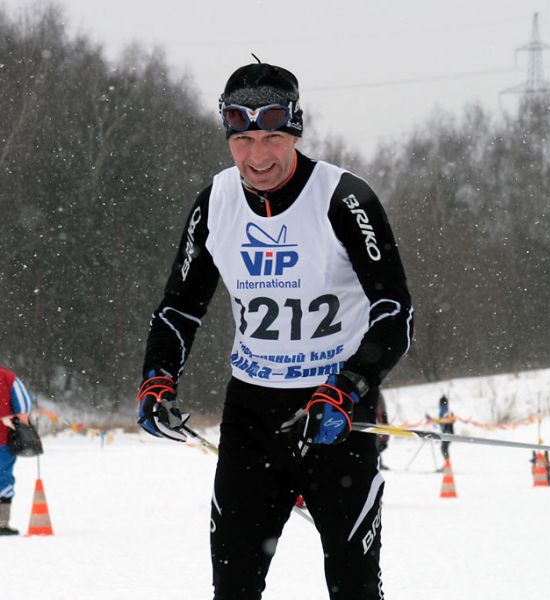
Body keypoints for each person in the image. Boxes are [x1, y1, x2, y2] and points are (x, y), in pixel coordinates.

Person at [136, 60, 414, 600]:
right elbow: (178, 310)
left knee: (355, 589)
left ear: (295, 131)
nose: (256, 156)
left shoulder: (344, 198)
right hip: (251, 420)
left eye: (270, 137)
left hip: (334, 413)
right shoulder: (215, 203)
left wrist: (351, 385)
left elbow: (394, 311)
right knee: (234, 588)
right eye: (242, 140)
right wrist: (157, 380)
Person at [0, 364, 34, 536]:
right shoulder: (7, 377)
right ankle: (2, 522)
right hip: (3, 439)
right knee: (3, 477)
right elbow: (24, 406)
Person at [437, 394, 454, 466]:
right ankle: (447, 464)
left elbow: (445, 422)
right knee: (444, 449)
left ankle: (447, 465)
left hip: (447, 433)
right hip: (448, 433)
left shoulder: (443, 411)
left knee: (444, 448)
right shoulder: (446, 410)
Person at [374, 390, 389, 470]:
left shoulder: (377, 393)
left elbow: (382, 415)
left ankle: (379, 463)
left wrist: (385, 438)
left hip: (374, 426)